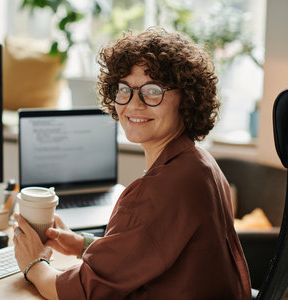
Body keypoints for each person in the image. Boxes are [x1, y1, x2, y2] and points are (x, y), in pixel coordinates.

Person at [13, 26, 252, 299]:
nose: (134, 104)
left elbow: (83, 292)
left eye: (152, 91)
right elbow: (154, 250)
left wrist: (33, 264)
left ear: (186, 98)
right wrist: (82, 244)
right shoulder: (198, 163)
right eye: (124, 89)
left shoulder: (161, 189)